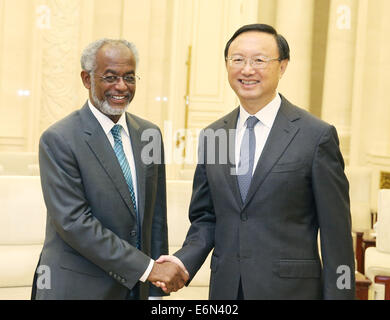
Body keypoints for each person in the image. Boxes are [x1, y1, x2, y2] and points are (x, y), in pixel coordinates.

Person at [156, 24, 355, 299]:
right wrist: (182, 261)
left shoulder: (316, 136)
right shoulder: (213, 135)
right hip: (227, 290)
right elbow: (206, 217)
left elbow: (337, 236)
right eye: (237, 60)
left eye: (259, 60)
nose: (247, 70)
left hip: (291, 291)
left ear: (282, 66)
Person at [31, 39, 188, 300]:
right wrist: (149, 270)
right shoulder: (59, 139)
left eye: (129, 77)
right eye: (110, 77)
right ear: (86, 79)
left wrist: (155, 290)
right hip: (78, 288)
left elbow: (155, 217)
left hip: (136, 289)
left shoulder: (150, 134)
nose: (121, 87)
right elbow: (74, 223)